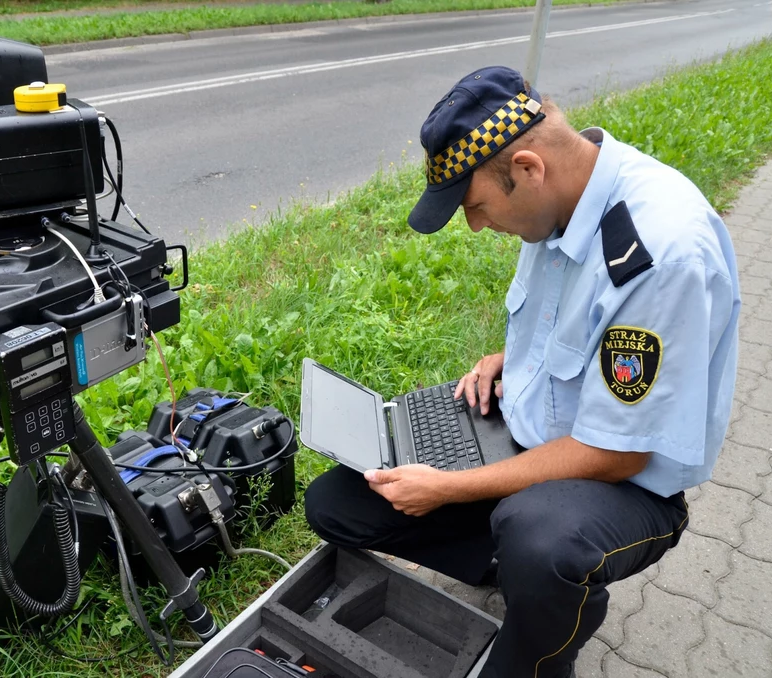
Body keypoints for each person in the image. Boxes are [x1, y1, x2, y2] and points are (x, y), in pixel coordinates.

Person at [303, 66, 740, 678]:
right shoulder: (560, 199)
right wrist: (509, 361)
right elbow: (578, 327)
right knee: (336, 503)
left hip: (626, 488)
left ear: (529, 168)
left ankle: (548, 624)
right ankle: (525, 574)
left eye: (476, 206)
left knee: (540, 540)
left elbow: (619, 454)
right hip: (525, 440)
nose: (476, 225)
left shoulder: (658, 252)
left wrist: (448, 488)